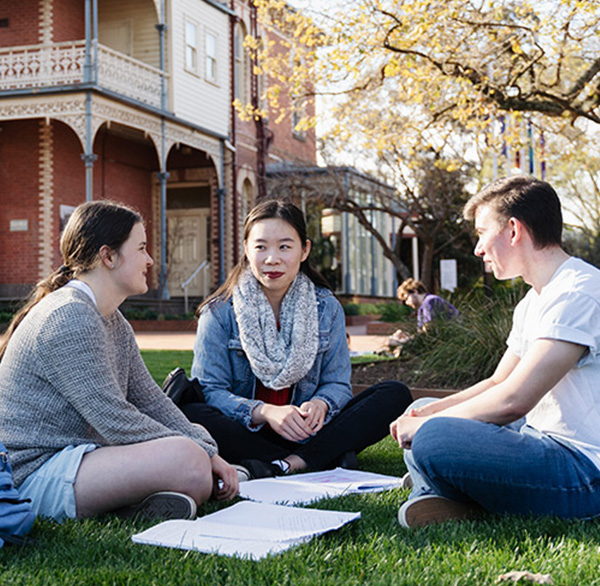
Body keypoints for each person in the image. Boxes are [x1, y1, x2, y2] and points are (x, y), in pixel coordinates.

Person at [0, 201, 238, 524]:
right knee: (188, 459)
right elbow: (115, 420)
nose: (150, 260)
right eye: (141, 248)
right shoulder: (70, 316)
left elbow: (151, 400)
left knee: (192, 439)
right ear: (108, 256)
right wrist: (199, 451)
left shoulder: (111, 318)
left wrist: (205, 447)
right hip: (33, 475)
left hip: (79, 458)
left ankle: (130, 507)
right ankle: (130, 503)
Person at [390, 175, 600, 528]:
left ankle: (443, 489)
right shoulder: (533, 300)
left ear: (514, 230)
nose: (478, 249)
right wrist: (429, 412)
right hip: (537, 441)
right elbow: (497, 383)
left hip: (582, 473)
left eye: (482, 232)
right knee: (421, 409)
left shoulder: (578, 292)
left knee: (434, 436)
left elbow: (514, 401)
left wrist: (428, 426)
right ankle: (451, 488)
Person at [182, 199, 413, 478]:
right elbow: (210, 391)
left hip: (308, 431)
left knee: (394, 394)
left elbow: (337, 383)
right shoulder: (219, 312)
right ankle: (318, 458)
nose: (272, 258)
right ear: (245, 249)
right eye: (260, 247)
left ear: (304, 250)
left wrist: (321, 404)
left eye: (284, 246)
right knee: (190, 411)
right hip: (244, 430)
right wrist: (264, 412)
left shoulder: (326, 307)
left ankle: (283, 464)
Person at [384, 279, 459, 353]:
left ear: (415, 291)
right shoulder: (421, 308)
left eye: (406, 299)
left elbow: (430, 329)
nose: (406, 303)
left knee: (397, 344)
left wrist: (406, 340)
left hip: (449, 342)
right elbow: (422, 332)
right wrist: (406, 335)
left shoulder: (430, 301)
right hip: (441, 342)